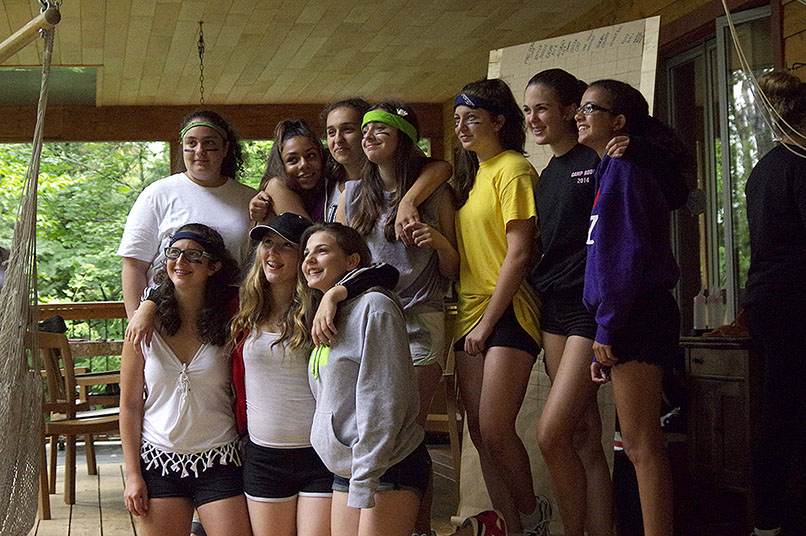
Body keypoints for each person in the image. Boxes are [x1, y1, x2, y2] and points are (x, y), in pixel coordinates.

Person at [338, 100, 458, 536]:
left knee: (408, 434)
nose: (367, 138)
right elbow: (342, 263)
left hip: (421, 321)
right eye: (365, 131)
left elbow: (453, 269)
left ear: (403, 140)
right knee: (374, 429)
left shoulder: (436, 193)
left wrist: (437, 241)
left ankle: (420, 528)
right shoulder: (353, 194)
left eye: (380, 132)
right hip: (369, 324)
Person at [578, 79, 689, 536]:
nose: (579, 115)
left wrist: (608, 328)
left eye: (590, 108)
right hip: (626, 313)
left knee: (642, 446)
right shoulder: (609, 167)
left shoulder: (625, 167)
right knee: (636, 442)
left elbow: (625, 254)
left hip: (637, 312)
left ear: (618, 122)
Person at [452, 78, 549, 536]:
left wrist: (487, 324)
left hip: (507, 308)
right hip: (468, 311)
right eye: (457, 119)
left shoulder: (514, 168)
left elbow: (520, 252)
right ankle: (509, 525)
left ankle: (532, 516)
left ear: (498, 121)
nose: (461, 127)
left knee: (494, 427)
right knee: (478, 431)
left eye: (472, 118)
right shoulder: (473, 177)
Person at [522, 68, 614, 536]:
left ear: (569, 110)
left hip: (587, 309)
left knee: (552, 434)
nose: (533, 119)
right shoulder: (547, 174)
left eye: (541, 108)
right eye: (527, 110)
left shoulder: (597, 159)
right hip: (552, 309)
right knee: (583, 437)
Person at [120, 223, 252, 536]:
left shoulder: (232, 320)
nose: (180, 262)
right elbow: (129, 405)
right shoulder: (143, 327)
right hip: (159, 460)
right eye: (174, 253)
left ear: (213, 266)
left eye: (193, 256)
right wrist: (133, 474)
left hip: (220, 458)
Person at [301, 222, 429, 536]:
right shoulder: (328, 314)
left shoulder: (375, 307)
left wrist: (364, 481)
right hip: (348, 467)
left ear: (352, 261)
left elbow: (382, 401)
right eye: (306, 254)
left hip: (387, 466)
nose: (309, 260)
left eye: (321, 251)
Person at [228, 213, 332, 536]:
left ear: (304, 256)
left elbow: (380, 276)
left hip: (319, 454)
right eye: (267, 243)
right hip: (263, 457)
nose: (272, 253)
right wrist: (149, 302)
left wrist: (335, 294)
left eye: (286, 245)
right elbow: (185, 287)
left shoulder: (323, 310)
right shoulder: (242, 309)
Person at [744, 71, 806, 536]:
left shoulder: (763, 169)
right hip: (794, 300)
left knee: (780, 407)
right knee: (784, 412)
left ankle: (767, 519)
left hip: (767, 299)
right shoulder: (800, 164)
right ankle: (768, 520)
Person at [118, 110, 256, 318]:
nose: (200, 151)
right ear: (182, 146)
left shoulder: (248, 199)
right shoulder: (157, 194)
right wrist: (136, 321)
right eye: (192, 143)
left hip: (228, 318)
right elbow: (133, 265)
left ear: (225, 148)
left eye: (209, 143)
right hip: (165, 319)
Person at [250, 104, 453, 237]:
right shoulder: (324, 172)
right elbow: (279, 184)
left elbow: (441, 167)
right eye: (331, 132)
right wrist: (259, 202)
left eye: (348, 129)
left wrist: (408, 202)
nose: (338, 139)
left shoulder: (387, 171)